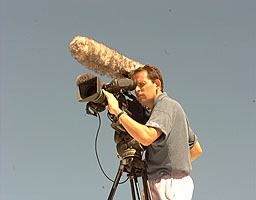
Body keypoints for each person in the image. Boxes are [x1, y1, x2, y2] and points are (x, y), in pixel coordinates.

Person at [103, 64, 202, 200]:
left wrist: (117, 111)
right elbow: (196, 149)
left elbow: (146, 137)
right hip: (169, 183)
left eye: (142, 84)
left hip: (167, 186)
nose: (137, 90)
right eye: (135, 86)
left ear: (157, 84)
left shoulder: (165, 105)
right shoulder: (168, 111)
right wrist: (166, 164)